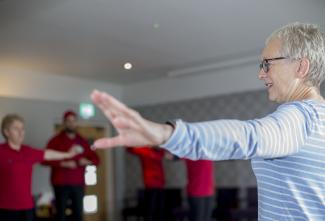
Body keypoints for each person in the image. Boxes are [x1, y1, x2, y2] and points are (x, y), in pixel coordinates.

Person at [90, 22, 325, 220]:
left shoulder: (301, 117)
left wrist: (164, 134)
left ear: (301, 67)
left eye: (267, 63)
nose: (261, 73)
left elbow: (247, 136)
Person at [0, 114, 80, 221]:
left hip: (27, 208)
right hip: (5, 209)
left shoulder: (28, 151)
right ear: (6, 132)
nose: (21, 132)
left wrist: (68, 154)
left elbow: (48, 154)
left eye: (22, 129)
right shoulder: (1, 151)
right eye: (16, 128)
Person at [43, 110, 100, 221]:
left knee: (78, 214)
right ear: (64, 123)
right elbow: (44, 159)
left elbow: (96, 160)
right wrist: (62, 163)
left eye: (73, 121)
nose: (71, 123)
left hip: (78, 183)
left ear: (76, 123)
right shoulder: (55, 140)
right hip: (60, 183)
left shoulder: (82, 141)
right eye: (68, 121)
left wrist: (86, 161)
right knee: (60, 214)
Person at [127, 146, 165, 221]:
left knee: (160, 211)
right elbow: (130, 149)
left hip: (160, 184)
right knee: (150, 211)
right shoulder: (144, 150)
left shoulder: (160, 152)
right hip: (150, 184)